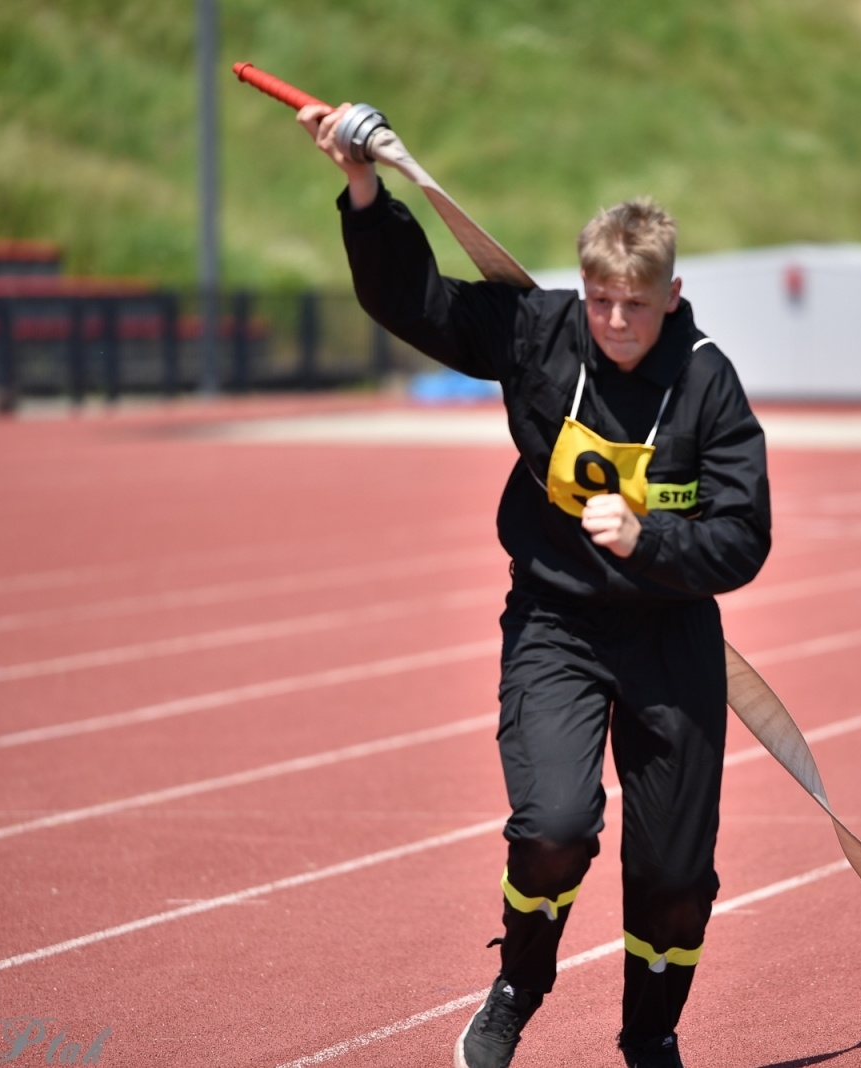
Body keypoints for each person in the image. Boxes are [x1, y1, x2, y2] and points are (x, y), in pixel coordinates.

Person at [300, 103, 772, 1068]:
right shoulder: (540, 331)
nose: (616, 322)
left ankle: (650, 1035)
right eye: (601, 300)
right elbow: (414, 302)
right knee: (555, 826)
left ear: (673, 295)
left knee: (676, 877)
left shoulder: (708, 383)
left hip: (672, 637)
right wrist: (363, 188)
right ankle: (519, 983)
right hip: (557, 621)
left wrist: (652, 539)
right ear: (583, 286)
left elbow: (744, 537)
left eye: (636, 305)